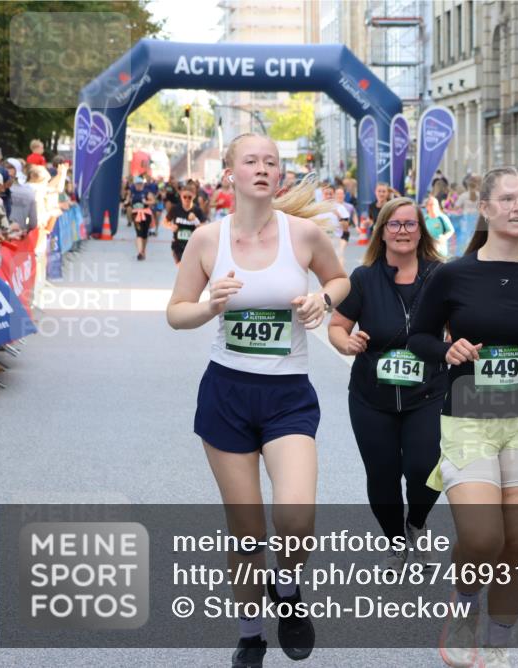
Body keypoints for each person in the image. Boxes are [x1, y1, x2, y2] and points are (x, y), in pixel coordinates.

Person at [166, 133, 349, 668]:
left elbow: (341, 280)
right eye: (252, 161)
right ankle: (250, 635)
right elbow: (176, 311)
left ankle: (287, 589)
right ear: (230, 173)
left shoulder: (305, 235)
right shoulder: (207, 240)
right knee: (246, 529)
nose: (264, 168)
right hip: (226, 393)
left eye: (272, 160)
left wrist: (322, 299)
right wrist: (208, 307)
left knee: (296, 517)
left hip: (288, 394)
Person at [407, 166, 518, 668]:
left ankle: (498, 643)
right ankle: (464, 604)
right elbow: (417, 340)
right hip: (468, 419)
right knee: (484, 537)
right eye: (507, 199)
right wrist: (447, 348)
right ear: (484, 207)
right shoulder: (452, 274)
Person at [327, 197, 447, 572]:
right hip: (371, 396)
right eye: (394, 225)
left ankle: (416, 524)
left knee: (424, 468)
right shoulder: (363, 279)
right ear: (381, 232)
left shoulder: (440, 275)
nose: (403, 232)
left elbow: (458, 327)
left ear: (421, 231)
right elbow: (336, 327)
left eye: (410, 224)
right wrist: (346, 342)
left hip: (427, 392)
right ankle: (396, 544)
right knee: (381, 474)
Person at [162, 184, 207, 266]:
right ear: (181, 196)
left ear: (194, 196)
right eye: (184, 197)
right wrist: (171, 226)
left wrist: (196, 221)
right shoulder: (175, 209)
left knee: (189, 268)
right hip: (177, 244)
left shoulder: (197, 210)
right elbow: (164, 222)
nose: (187, 199)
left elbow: (204, 227)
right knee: (181, 266)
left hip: (192, 245)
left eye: (189, 197)